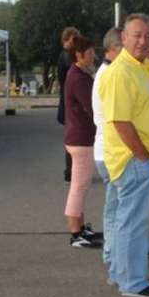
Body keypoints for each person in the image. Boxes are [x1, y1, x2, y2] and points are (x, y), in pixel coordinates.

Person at [98, 13, 149, 297]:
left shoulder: (142, 68)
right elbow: (120, 121)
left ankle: (120, 275)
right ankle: (133, 282)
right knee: (134, 223)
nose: (143, 41)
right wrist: (142, 156)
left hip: (136, 159)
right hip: (134, 161)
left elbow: (145, 107)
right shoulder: (120, 72)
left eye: (147, 35)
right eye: (136, 35)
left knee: (123, 220)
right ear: (124, 38)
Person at [63, 35, 101, 248]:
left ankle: (80, 226)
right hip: (81, 139)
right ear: (79, 54)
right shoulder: (79, 78)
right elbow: (93, 107)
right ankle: (76, 233)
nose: (93, 56)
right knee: (79, 187)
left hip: (78, 137)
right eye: (90, 52)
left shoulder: (77, 74)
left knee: (81, 186)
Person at [57, 27, 80, 182]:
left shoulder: (66, 56)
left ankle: (71, 172)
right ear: (67, 40)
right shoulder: (67, 56)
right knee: (74, 140)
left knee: (73, 139)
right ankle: (71, 172)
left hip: (68, 103)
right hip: (70, 104)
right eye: (75, 39)